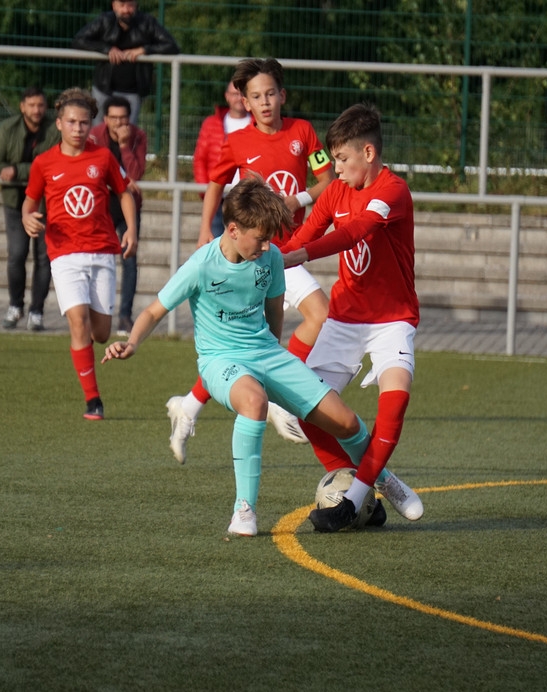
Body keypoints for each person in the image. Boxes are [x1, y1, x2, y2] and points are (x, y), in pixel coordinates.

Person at [102, 177, 385, 537]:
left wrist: (275, 358)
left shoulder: (271, 258)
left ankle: (384, 480)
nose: (267, 246)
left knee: (345, 421)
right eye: (261, 238)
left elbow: (274, 310)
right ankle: (244, 510)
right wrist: (131, 343)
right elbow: (154, 311)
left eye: (270, 239)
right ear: (233, 229)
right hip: (219, 361)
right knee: (254, 401)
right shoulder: (201, 265)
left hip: (266, 352)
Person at [165, 57, 333, 463]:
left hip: (285, 253)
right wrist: (205, 230)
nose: (265, 102)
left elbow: (328, 181)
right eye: (256, 96)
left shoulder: (303, 132)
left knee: (277, 333)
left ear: (283, 95)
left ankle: (190, 406)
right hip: (254, 257)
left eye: (271, 93)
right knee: (309, 317)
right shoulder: (237, 141)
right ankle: (275, 397)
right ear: (245, 101)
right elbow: (216, 183)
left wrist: (298, 199)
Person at [281, 103, 424, 533]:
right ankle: (376, 480)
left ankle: (353, 500)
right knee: (303, 407)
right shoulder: (335, 192)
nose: (336, 169)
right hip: (344, 320)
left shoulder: (393, 191)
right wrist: (265, 257)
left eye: (341, 159)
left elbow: (355, 232)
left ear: (368, 152)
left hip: (392, 320)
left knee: (395, 399)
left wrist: (298, 256)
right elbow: (302, 237)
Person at [22, 87, 137, 420]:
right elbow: (29, 202)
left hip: (102, 252)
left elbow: (124, 193)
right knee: (78, 321)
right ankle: (93, 400)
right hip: (64, 254)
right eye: (71, 122)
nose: (77, 128)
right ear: (59, 123)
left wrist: (131, 229)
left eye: (84, 123)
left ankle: (90, 346)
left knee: (100, 333)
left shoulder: (103, 157)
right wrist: (28, 217)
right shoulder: (44, 163)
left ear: (91, 125)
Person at [0, 86, 60, 331]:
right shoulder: (8, 128)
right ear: (22, 107)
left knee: (44, 259)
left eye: (40, 105)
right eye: (32, 105)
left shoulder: (54, 130)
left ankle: (37, 311)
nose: (37, 110)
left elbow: (52, 164)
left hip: (46, 205)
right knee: (17, 255)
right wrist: (32, 170)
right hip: (16, 203)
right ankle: (15, 305)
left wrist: (17, 170)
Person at [89, 95, 147, 335]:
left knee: (129, 259)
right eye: (113, 118)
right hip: (102, 205)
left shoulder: (138, 136)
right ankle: (95, 313)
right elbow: (96, 172)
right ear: (105, 119)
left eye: (123, 118)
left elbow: (136, 173)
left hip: (129, 204)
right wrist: (121, 181)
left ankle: (125, 316)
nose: (118, 123)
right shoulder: (94, 136)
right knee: (96, 257)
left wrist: (124, 145)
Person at [71, 0, 180, 124]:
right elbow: (78, 41)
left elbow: (172, 46)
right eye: (122, 5)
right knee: (98, 131)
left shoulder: (147, 22)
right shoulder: (104, 20)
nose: (126, 10)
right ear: (114, 6)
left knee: (127, 131)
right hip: (103, 88)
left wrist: (144, 50)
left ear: (136, 5)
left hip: (133, 91)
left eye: (130, 5)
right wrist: (106, 49)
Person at [193, 80, 252, 239]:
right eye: (234, 94)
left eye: (242, 94)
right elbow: (200, 159)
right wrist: (205, 190)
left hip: (247, 198)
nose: (238, 98)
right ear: (227, 96)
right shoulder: (211, 123)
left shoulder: (257, 124)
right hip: (219, 196)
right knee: (215, 244)